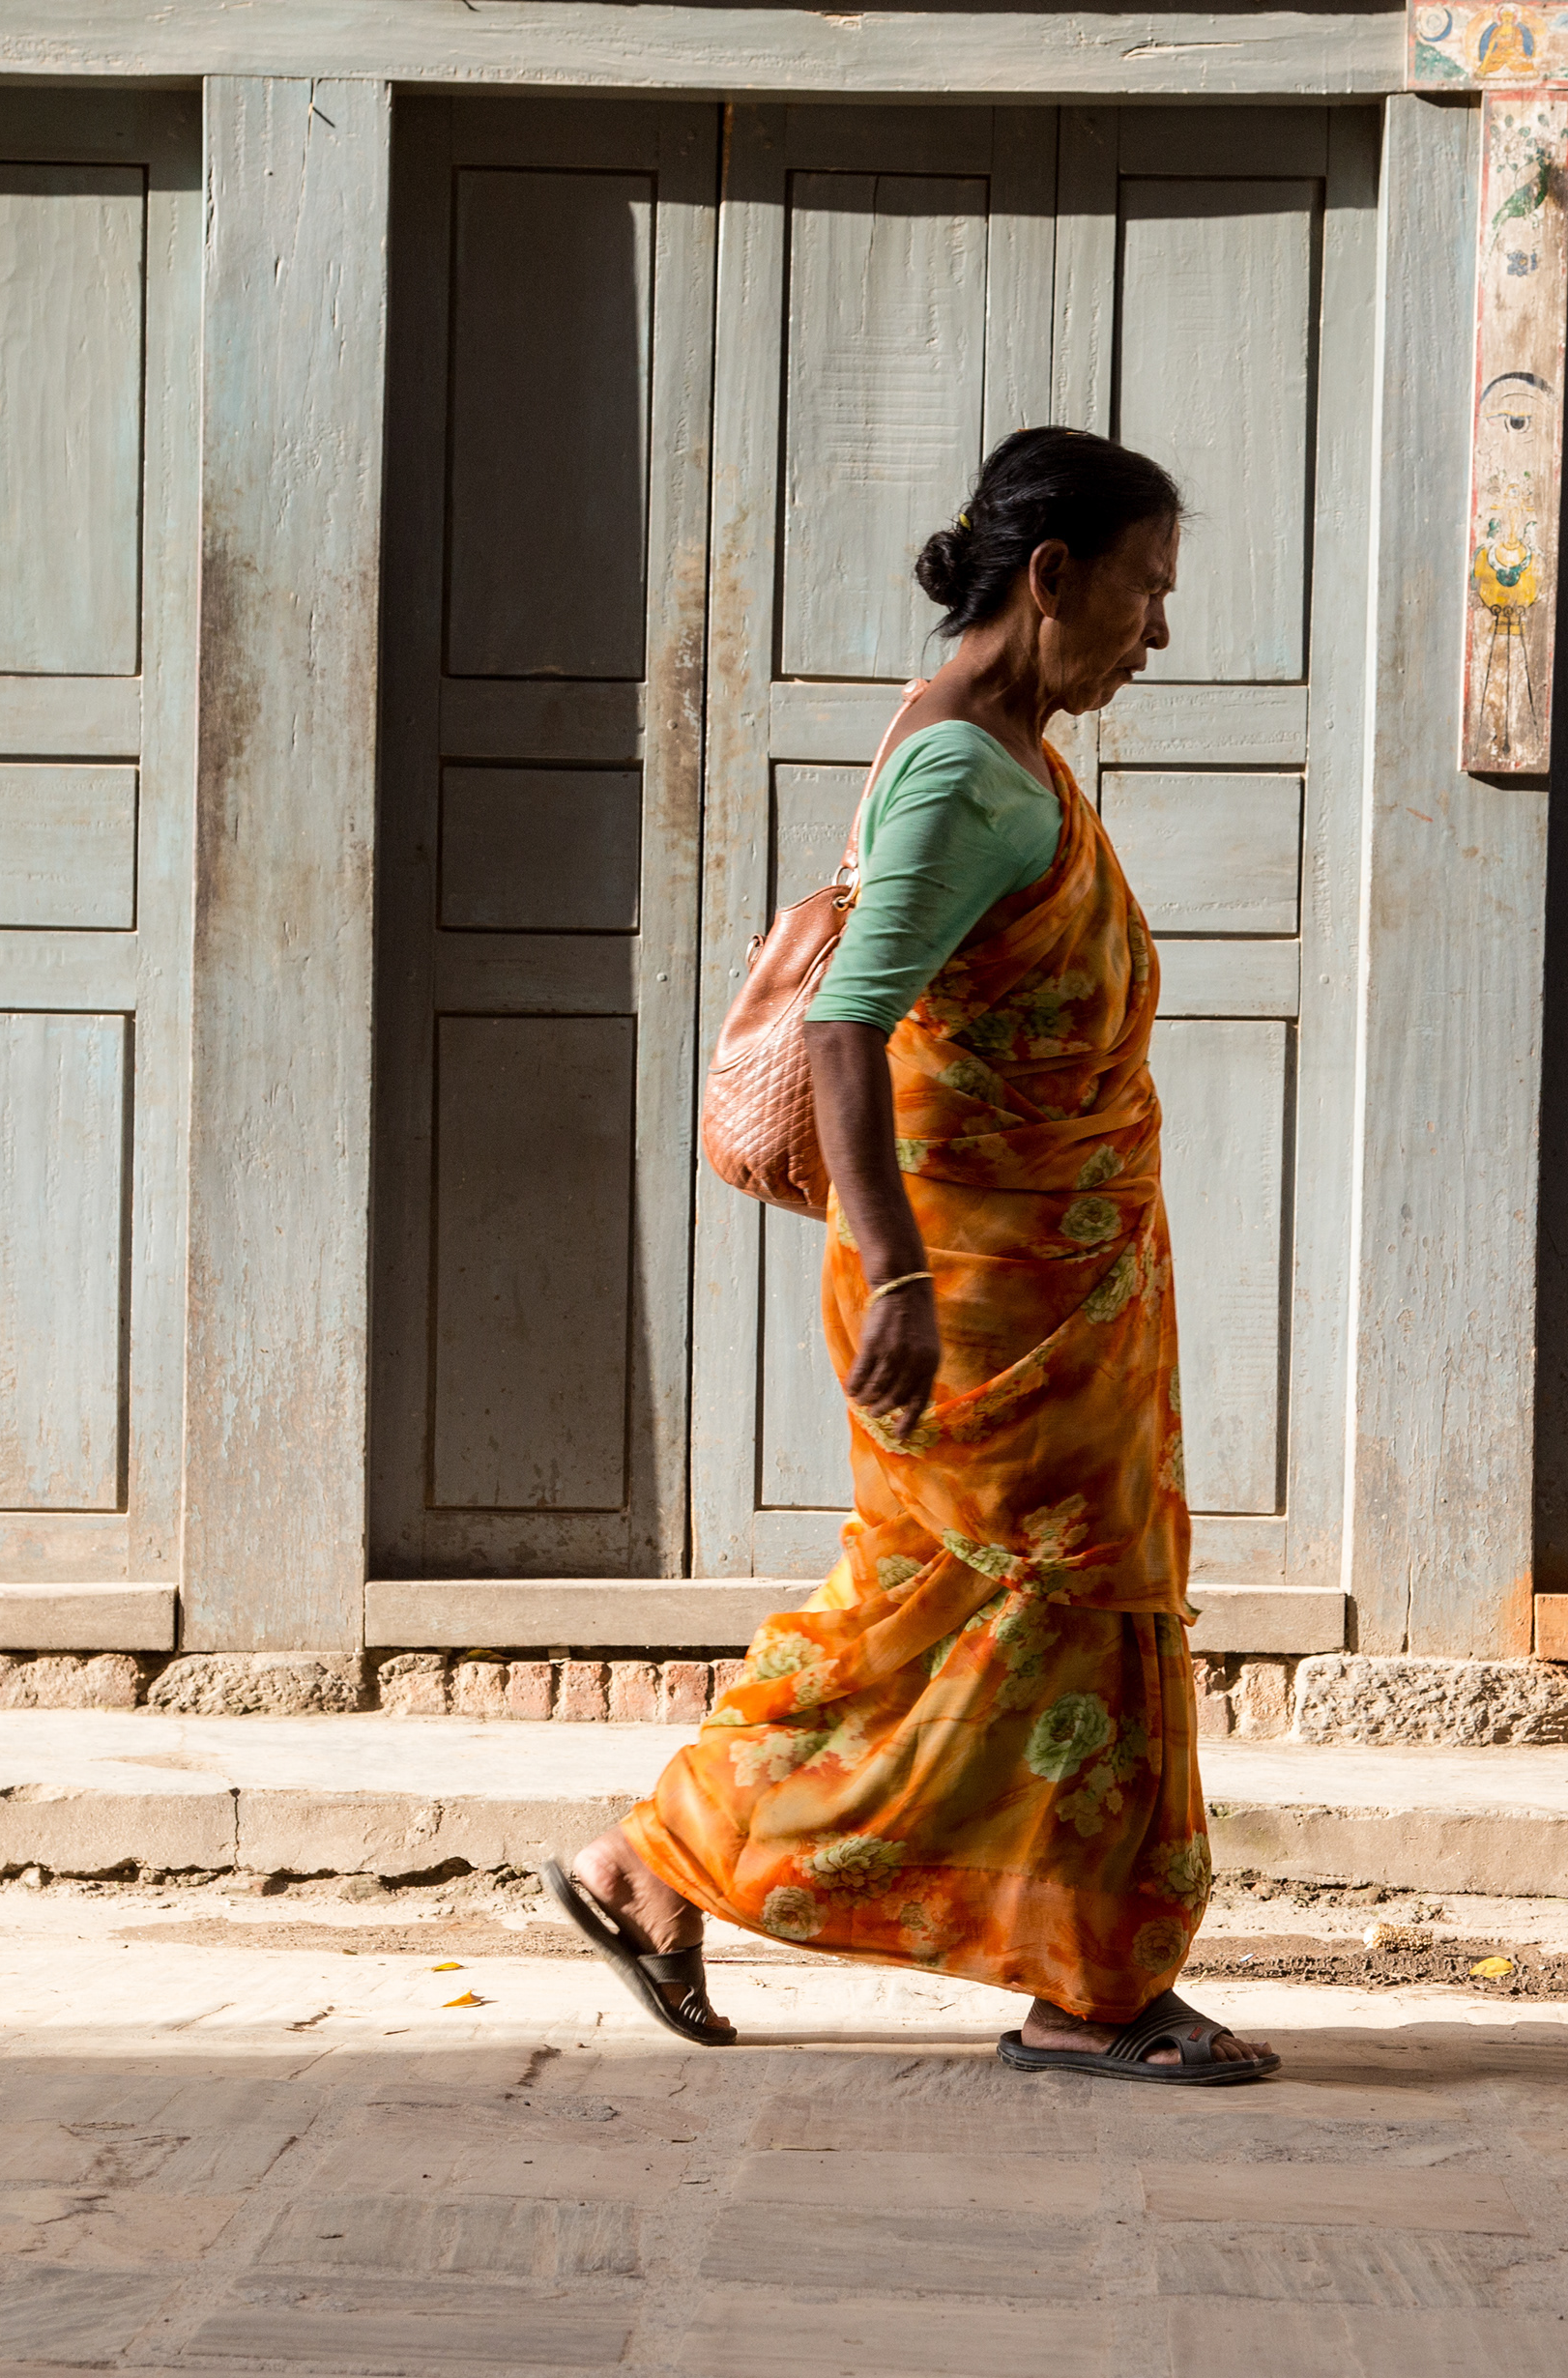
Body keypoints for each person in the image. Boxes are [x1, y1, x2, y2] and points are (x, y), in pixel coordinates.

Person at [543, 427, 1277, 2084]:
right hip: (973, 1298)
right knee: (970, 1617)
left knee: (1041, 1622)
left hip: (1049, 1290)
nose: (1158, 632)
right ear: (1051, 578)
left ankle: (1060, 1971)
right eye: (1146, 589)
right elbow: (852, 1027)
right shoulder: (962, 771)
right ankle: (690, 1863)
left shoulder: (1010, 749)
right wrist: (893, 1272)